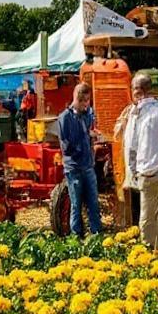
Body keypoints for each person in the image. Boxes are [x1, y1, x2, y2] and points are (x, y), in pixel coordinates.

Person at [123, 73, 158, 251]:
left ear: (137, 91)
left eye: (133, 88)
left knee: (146, 218)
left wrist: (139, 172)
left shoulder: (139, 115)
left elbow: (135, 145)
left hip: (149, 171)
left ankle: (146, 253)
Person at [57, 82, 102, 237]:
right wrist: (85, 139)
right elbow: (66, 146)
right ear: (76, 99)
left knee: (94, 204)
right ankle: (76, 239)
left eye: (88, 101)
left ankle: (96, 235)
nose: (86, 105)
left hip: (88, 166)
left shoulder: (87, 115)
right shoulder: (65, 118)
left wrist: (92, 135)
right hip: (74, 168)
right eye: (84, 101)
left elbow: (89, 133)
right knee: (76, 206)